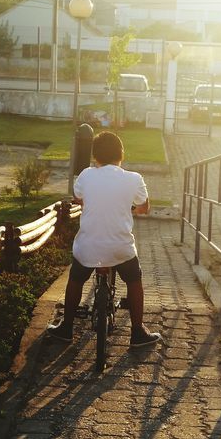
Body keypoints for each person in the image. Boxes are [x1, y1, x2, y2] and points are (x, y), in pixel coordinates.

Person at [47, 130, 162, 348]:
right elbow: (145, 207)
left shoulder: (86, 175)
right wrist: (133, 210)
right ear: (121, 154)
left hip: (88, 248)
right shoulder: (134, 179)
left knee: (76, 279)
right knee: (134, 280)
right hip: (120, 249)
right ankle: (138, 332)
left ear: (95, 157)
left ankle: (66, 327)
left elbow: (77, 198)